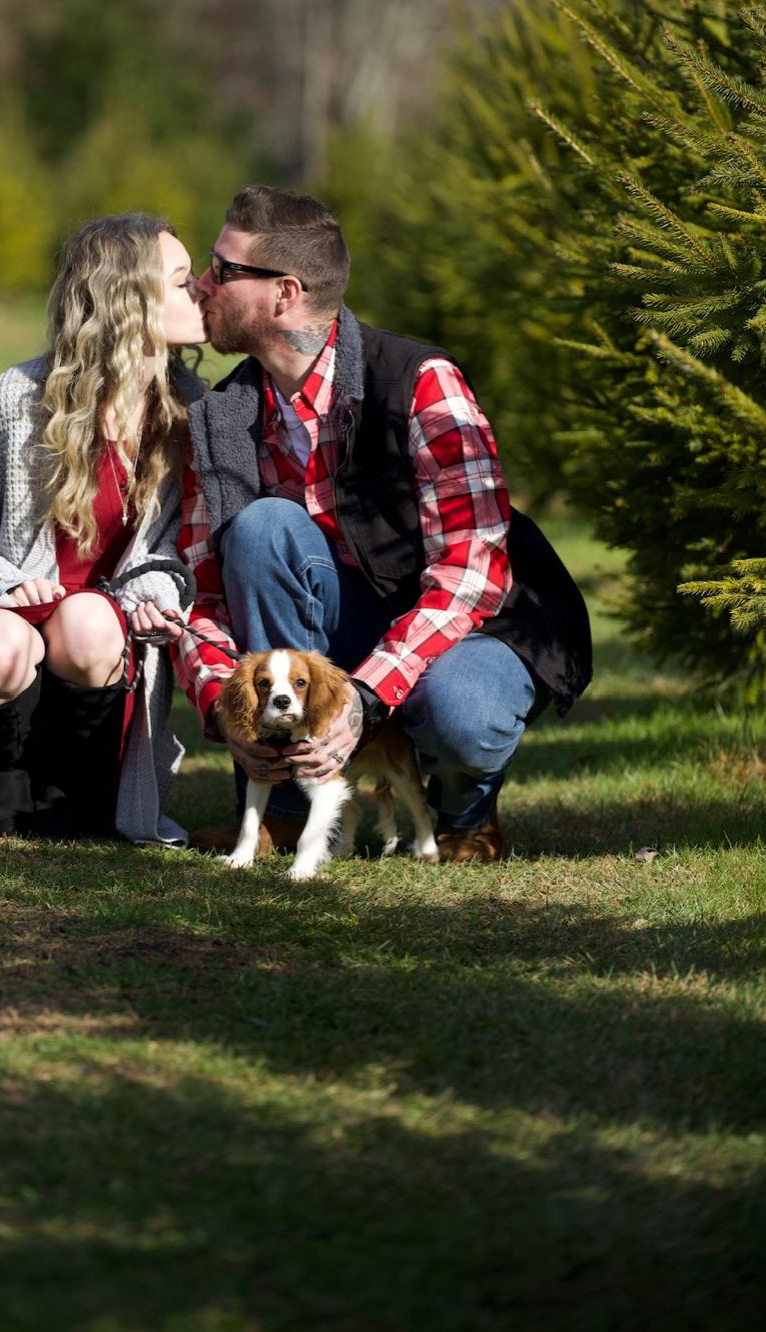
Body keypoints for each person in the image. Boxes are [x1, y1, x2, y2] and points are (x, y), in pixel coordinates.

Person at [154, 185, 592, 864]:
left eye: (222, 270)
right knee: (263, 529)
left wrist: (364, 695)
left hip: (474, 629)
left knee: (460, 710)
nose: (202, 286)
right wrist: (220, 702)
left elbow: (469, 575)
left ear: (284, 293)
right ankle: (288, 808)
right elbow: (203, 593)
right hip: (341, 628)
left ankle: (464, 814)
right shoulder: (222, 415)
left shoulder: (421, 382)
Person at [0, 214, 207, 844]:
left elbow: (179, 550)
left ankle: (71, 794)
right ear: (129, 301)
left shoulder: (193, 414)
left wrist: (155, 595)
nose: (203, 289)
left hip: (102, 644)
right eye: (183, 281)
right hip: (8, 637)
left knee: (88, 622)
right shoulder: (15, 400)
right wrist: (7, 584)